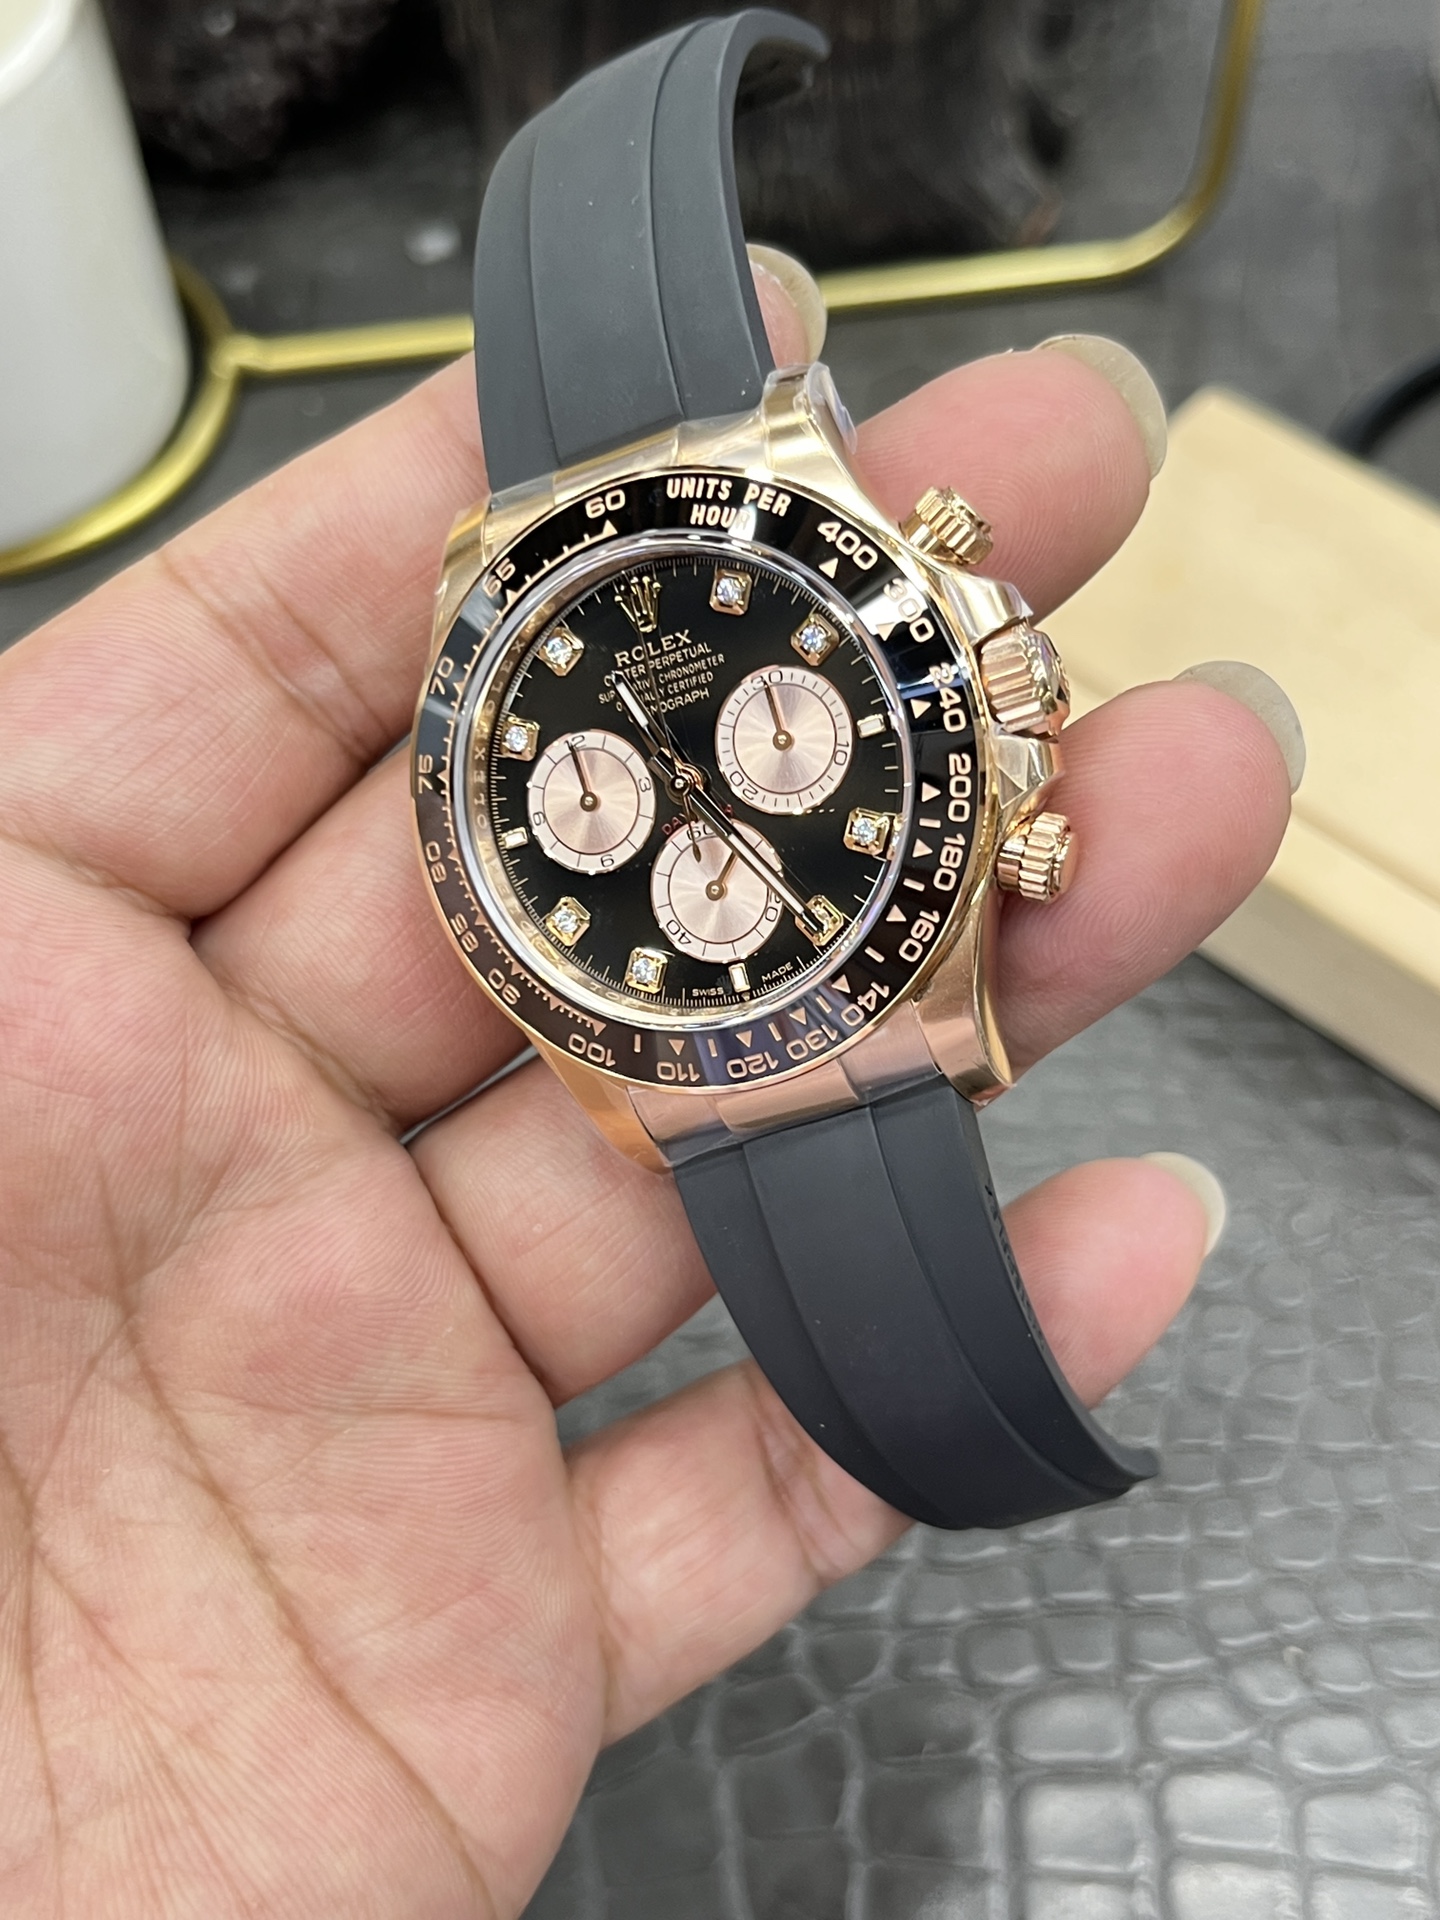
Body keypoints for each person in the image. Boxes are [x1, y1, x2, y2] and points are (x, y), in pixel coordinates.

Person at [0, 274, 1297, 1915]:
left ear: (984, 660)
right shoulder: (512, 737)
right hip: (688, 996)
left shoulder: (750, 522)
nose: (688, 776)